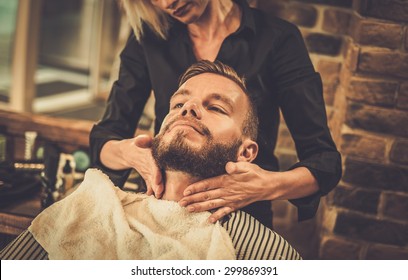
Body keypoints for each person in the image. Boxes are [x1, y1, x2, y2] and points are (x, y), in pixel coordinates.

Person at [0, 61, 301, 260]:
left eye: (217, 108)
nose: (189, 108)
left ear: (245, 153)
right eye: (179, 103)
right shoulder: (88, 206)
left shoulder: (266, 251)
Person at [90, 0, 342, 228]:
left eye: (216, 108)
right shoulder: (149, 36)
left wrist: (265, 186)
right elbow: (105, 137)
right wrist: (132, 154)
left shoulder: (277, 39)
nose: (167, 3)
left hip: (243, 215)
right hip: (162, 206)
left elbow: (324, 162)